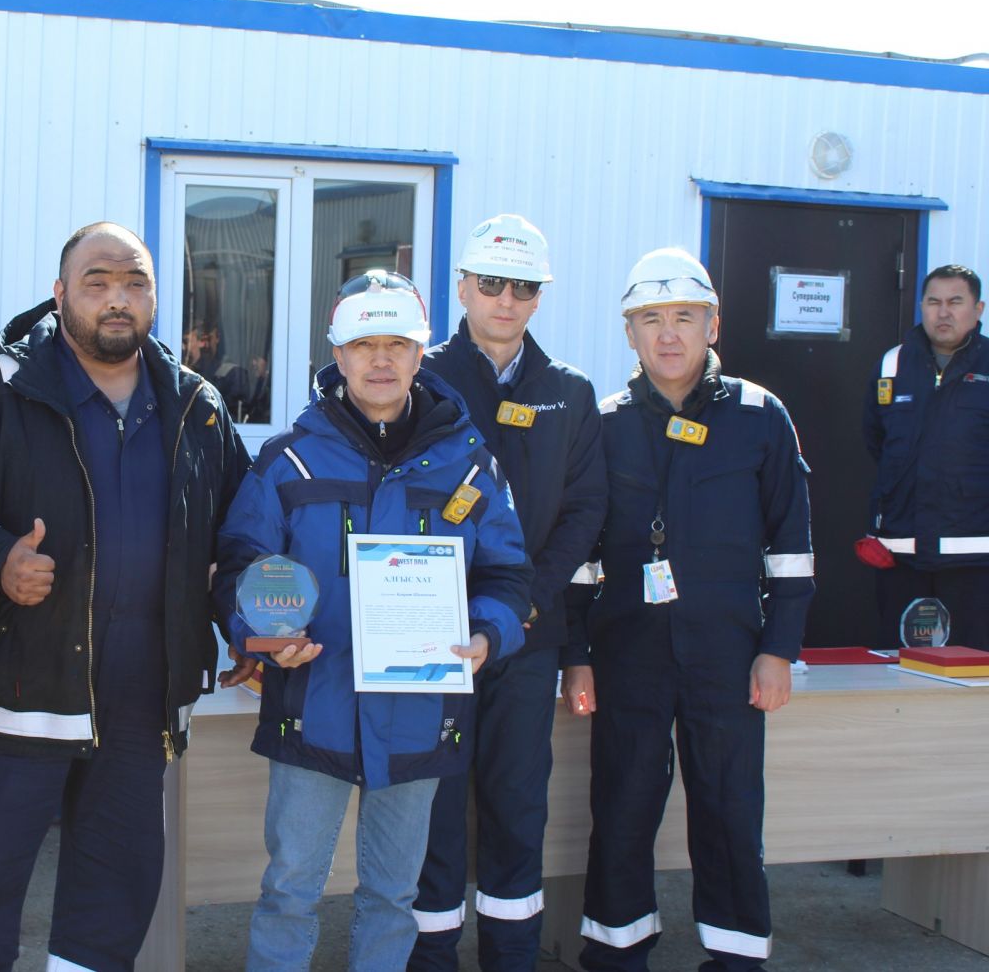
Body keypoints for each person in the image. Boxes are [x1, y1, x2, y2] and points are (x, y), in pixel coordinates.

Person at [0, 221, 250, 972]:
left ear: (155, 298)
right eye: (97, 283)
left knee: (114, 894)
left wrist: (248, 619)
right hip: (21, 690)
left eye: (134, 283)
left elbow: (236, 533)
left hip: (142, 698)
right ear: (60, 293)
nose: (116, 298)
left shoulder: (196, 406)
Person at [214, 270, 533, 971]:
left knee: (393, 896)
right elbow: (240, 567)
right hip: (313, 707)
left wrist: (486, 635)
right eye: (364, 345)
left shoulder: (469, 464)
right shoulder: (288, 461)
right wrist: (263, 640)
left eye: (397, 344)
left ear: (421, 353)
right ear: (339, 354)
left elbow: (509, 574)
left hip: (420, 713)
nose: (381, 360)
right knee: (289, 891)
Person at [562, 247, 813, 972]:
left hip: (728, 653)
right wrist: (576, 656)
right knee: (622, 808)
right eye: (650, 319)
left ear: (713, 325)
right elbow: (579, 555)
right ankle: (616, 953)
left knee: (730, 810)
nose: (667, 334)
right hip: (628, 653)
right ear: (628, 333)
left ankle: (735, 957)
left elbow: (792, 548)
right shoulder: (604, 424)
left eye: (683, 317)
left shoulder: (761, 417)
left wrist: (779, 648)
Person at [411, 215, 607, 971]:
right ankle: (430, 958)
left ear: (539, 297)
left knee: (517, 804)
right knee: (433, 806)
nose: (506, 299)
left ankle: (512, 957)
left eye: (523, 287)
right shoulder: (419, 378)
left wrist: (525, 599)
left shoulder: (569, 392)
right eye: (491, 283)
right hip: (433, 631)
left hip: (528, 634)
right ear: (463, 287)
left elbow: (585, 509)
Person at [860, 263, 989, 649]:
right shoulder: (892, 365)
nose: (943, 312)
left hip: (975, 560)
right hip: (902, 556)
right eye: (933, 302)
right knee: (898, 668)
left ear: (978, 309)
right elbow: (876, 440)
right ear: (921, 306)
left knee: (973, 671)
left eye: (955, 302)